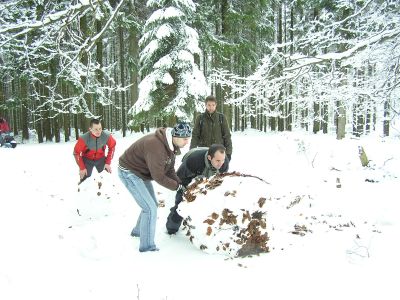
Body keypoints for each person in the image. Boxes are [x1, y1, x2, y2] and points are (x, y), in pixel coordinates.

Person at [118, 122, 192, 252]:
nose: (187, 142)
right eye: (185, 138)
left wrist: (180, 184)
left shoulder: (170, 145)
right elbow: (158, 176)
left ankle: (138, 231)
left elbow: (169, 170)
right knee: (149, 208)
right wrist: (176, 187)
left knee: (151, 205)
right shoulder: (156, 146)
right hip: (129, 172)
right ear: (176, 136)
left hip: (141, 172)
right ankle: (147, 247)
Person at [166, 143, 229, 235]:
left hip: (208, 178)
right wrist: (185, 191)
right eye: (218, 160)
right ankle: (172, 228)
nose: (221, 163)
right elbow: (178, 178)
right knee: (181, 203)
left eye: (223, 160)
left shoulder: (224, 164)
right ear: (209, 158)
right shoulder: (193, 161)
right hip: (188, 177)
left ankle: (201, 229)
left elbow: (219, 181)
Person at [190, 95, 233, 161]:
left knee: (218, 171)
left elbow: (227, 136)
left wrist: (229, 153)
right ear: (206, 105)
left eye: (213, 105)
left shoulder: (221, 118)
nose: (211, 107)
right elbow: (195, 136)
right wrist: (192, 151)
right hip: (203, 152)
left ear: (216, 105)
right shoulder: (200, 118)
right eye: (209, 105)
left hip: (218, 152)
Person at [73, 118, 116, 183]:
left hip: (101, 159)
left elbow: (112, 147)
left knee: (106, 177)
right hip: (87, 159)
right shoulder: (84, 138)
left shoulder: (106, 136)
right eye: (96, 129)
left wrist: (108, 162)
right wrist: (82, 167)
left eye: (100, 128)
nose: (98, 131)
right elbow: (76, 153)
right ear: (90, 129)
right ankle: (82, 190)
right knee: (84, 178)